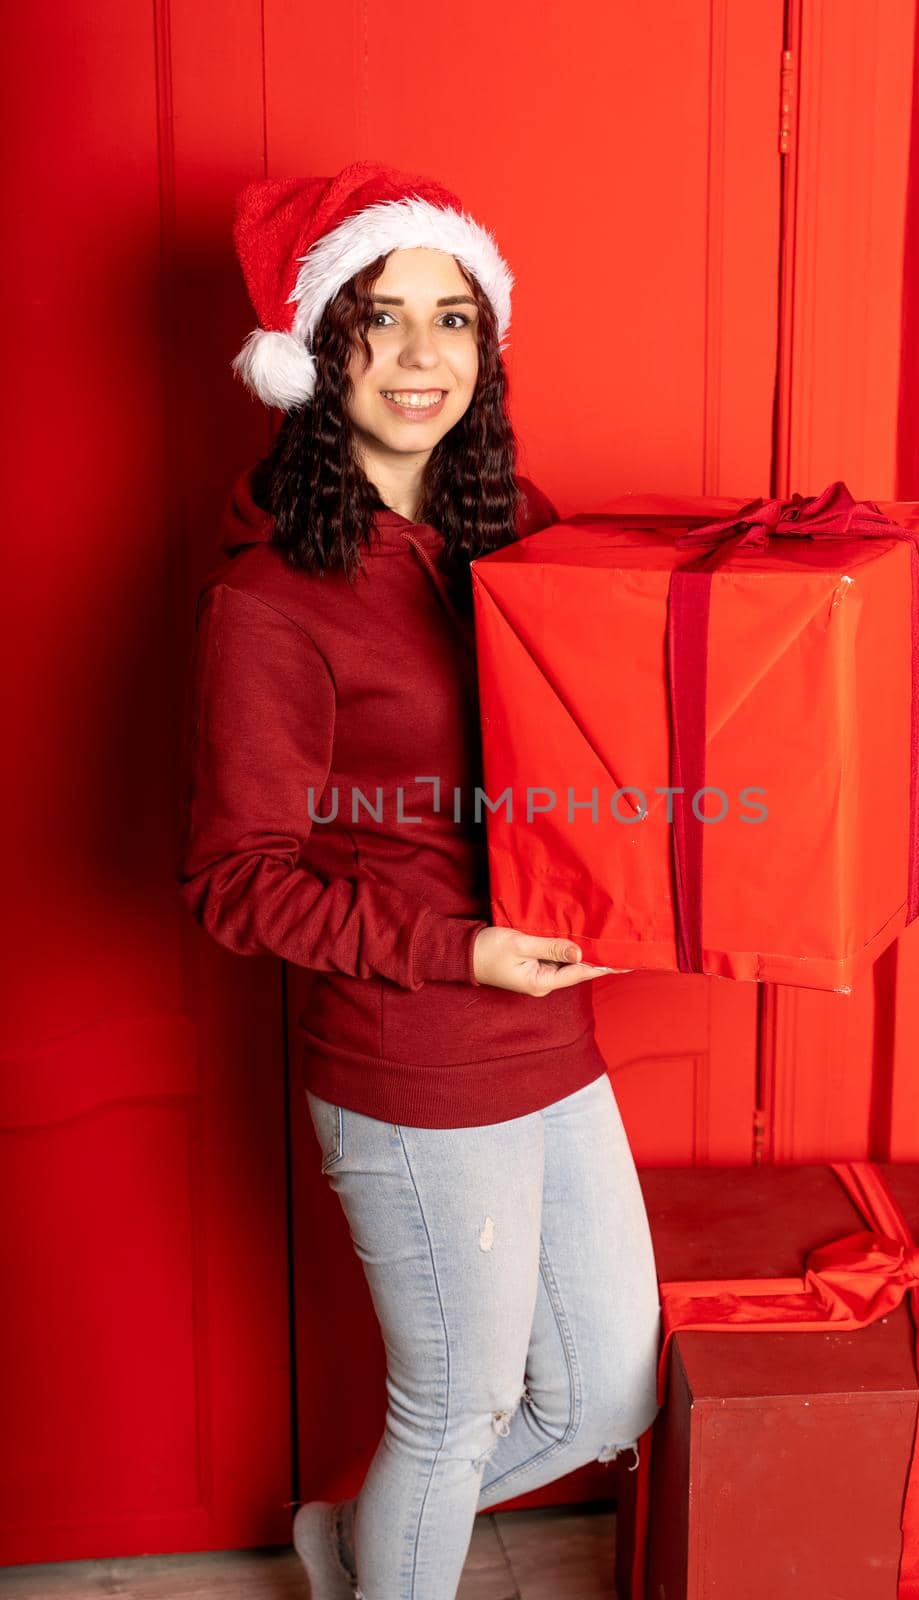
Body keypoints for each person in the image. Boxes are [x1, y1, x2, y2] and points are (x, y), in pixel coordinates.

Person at [176, 160, 662, 1600]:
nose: (418, 357)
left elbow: (631, 726)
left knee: (605, 1397)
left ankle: (349, 1542)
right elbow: (234, 883)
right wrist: (464, 954)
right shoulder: (267, 604)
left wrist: (911, 688)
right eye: (379, 321)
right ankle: (388, 1549)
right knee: (450, 1419)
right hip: (410, 1060)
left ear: (486, 349)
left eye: (451, 321)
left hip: (550, 1035)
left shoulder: (514, 532)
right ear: (320, 351)